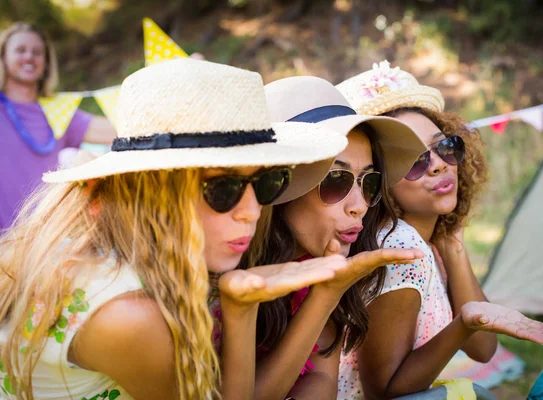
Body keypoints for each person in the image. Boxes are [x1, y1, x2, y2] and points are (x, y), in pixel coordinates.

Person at [0, 58, 351, 400]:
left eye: (265, 182)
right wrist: (243, 312)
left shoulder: (113, 246)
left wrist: (242, 303)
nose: (252, 211)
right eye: (223, 187)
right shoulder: (130, 317)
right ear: (152, 194)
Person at [334, 61, 543, 399]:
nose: (438, 163)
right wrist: (463, 323)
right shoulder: (399, 250)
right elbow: (384, 392)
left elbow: (483, 348)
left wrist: (453, 244)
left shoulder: (429, 240)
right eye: (415, 160)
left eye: (444, 147)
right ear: (377, 179)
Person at [241, 76, 427, 399]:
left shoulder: (320, 260)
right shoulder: (222, 273)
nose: (359, 206)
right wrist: (326, 294)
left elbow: (320, 381)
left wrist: (327, 293)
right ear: (282, 186)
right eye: (336, 180)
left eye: (368, 182)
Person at [0, 22, 117, 230]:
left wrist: (175, 83)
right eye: (20, 50)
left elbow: (118, 129)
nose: (29, 57)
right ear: (3, 57)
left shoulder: (60, 112)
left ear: (46, 63)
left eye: (37, 52)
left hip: (41, 241)